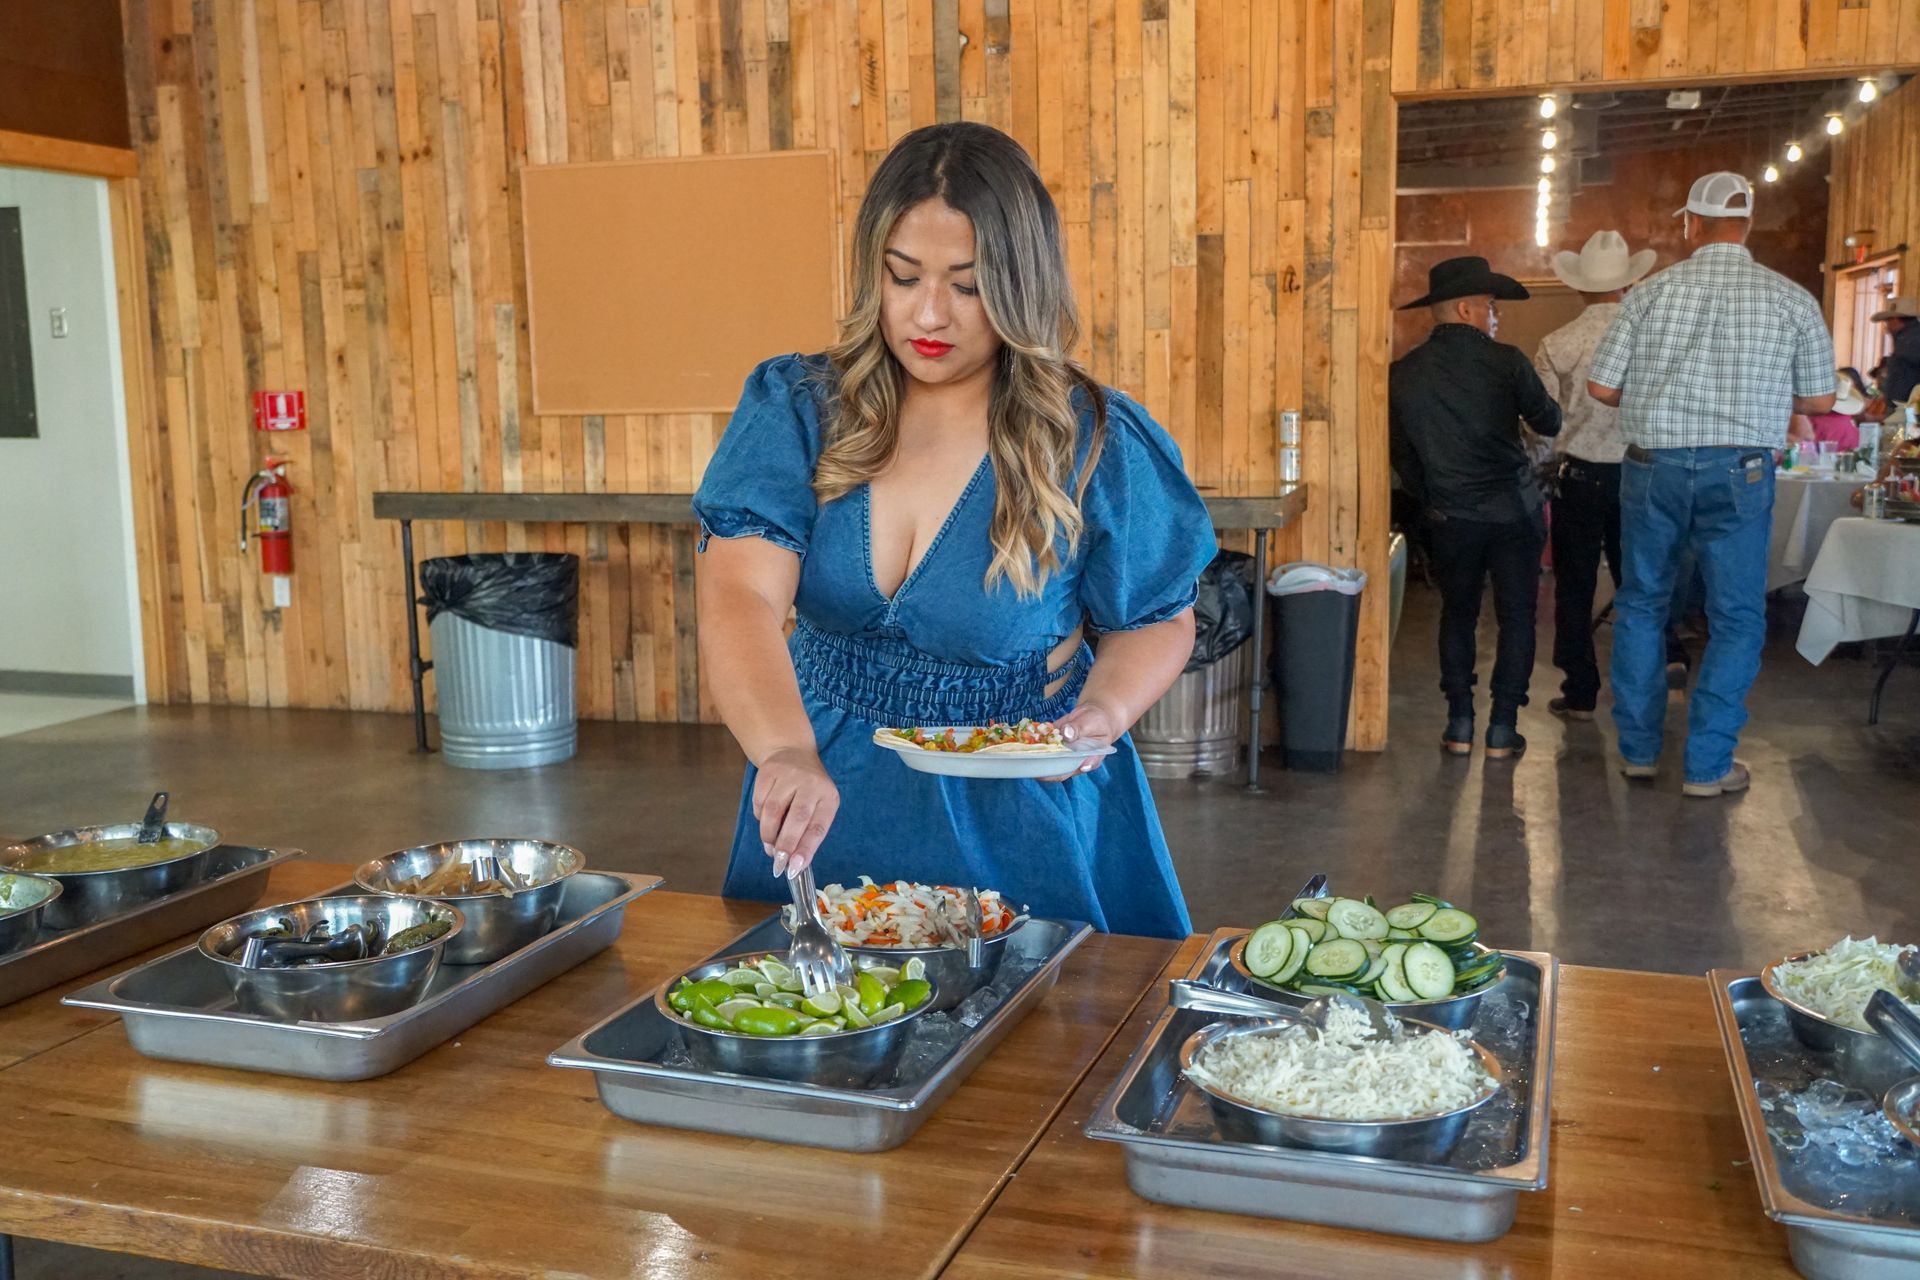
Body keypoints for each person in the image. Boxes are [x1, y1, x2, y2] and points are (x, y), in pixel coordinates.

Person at [692, 122, 1217, 938]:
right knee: (821, 1028)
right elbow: (739, 594)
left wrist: (1106, 712)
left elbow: (1155, 619)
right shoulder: (800, 408)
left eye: (968, 286)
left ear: (1021, 284)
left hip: (1022, 806)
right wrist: (783, 751)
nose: (929, 314)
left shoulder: (1093, 440)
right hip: (825, 788)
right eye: (904, 278)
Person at [1587, 172, 1835, 798]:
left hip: (1653, 465)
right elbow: (1822, 397)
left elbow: (1602, 388)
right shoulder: (1791, 298)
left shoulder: (1647, 295)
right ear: (1747, 225)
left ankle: (1640, 753)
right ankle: (1707, 766)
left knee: (1642, 603)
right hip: (1740, 469)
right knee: (1736, 616)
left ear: (1690, 224)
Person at [1390, 257, 1563, 759]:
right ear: (1466, 308)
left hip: (1450, 517)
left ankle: (1459, 724)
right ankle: (1503, 729)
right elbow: (1549, 421)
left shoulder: (1403, 374)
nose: (1495, 318)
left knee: (1457, 614)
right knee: (1517, 618)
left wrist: (1436, 501)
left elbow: (1403, 457)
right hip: (1513, 513)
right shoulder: (1507, 361)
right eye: (1490, 308)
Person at [1530, 230, 1656, 722]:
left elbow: (1541, 421)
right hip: (1640, 474)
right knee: (1640, 583)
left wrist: (1542, 467)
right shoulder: (1651, 337)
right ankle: (1646, 685)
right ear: (1629, 284)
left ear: (1579, 287)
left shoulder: (1557, 343)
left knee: (1575, 586)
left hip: (1577, 476)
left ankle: (1580, 690)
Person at [1872, 296, 1920, 410]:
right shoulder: (1908, 338)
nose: (1887, 326)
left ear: (1894, 319)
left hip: (1907, 409)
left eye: (1887, 321)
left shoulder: (1910, 341)